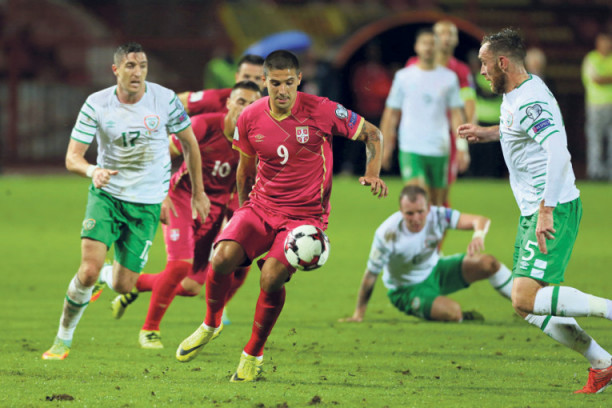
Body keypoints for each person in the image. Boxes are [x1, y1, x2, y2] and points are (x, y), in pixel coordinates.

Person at [176, 50, 388, 382]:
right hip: (260, 207)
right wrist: (242, 214)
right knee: (222, 257)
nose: (283, 90)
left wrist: (372, 173)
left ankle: (253, 354)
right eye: (275, 83)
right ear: (264, 82)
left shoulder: (322, 109)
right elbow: (245, 171)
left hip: (305, 217)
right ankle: (211, 324)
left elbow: (373, 134)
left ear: (299, 79)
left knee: (271, 277)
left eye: (289, 82)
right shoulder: (250, 116)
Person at [458, 28, 612, 394]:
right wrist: (489, 132)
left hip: (551, 207)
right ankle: (602, 364)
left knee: (524, 298)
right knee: (525, 305)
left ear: (502, 62)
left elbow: (558, 151)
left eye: (484, 63)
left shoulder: (530, 101)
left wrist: (546, 210)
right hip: (535, 209)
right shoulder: (518, 92)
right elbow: (520, 129)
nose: (481, 70)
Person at [42, 42, 209, 360]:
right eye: (130, 66)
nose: (137, 72)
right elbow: (72, 157)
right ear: (116, 70)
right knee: (87, 271)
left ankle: (108, 276)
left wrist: (198, 192)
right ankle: (62, 339)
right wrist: (93, 171)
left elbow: (189, 143)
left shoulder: (164, 99)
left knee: (123, 285)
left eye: (142, 66)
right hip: (107, 196)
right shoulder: (97, 103)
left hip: (146, 205)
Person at [109, 81, 262, 349]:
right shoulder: (203, 125)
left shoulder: (256, 142)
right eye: (241, 102)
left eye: (252, 105)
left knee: (191, 287)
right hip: (182, 198)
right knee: (179, 265)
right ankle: (150, 330)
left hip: (213, 211)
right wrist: (160, 193)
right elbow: (160, 154)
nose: (245, 109)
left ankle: (134, 284)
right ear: (228, 103)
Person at [340, 185, 513, 323]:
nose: (416, 218)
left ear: (428, 208)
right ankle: (459, 316)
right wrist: (358, 313)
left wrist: (478, 235)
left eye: (420, 212)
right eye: (409, 213)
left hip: (436, 271)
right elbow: (370, 275)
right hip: (406, 289)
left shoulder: (438, 215)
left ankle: (523, 304)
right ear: (401, 211)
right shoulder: (387, 234)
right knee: (453, 312)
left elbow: (480, 220)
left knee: (488, 263)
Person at [380, 28, 465, 206]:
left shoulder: (449, 78)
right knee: (417, 195)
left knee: (436, 205)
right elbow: (391, 113)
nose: (428, 47)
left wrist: (462, 147)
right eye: (424, 43)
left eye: (432, 43)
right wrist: (385, 145)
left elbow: (456, 114)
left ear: (438, 47)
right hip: (411, 146)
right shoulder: (404, 77)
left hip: (439, 147)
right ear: (416, 47)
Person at [403, 21, 476, 201]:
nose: (446, 37)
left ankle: (437, 217)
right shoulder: (413, 65)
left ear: (456, 40)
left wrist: (463, 141)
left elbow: (468, 102)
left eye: (450, 33)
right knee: (417, 193)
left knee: (441, 196)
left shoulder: (460, 71)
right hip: (416, 136)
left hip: (445, 138)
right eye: (441, 33)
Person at [178, 54, 265, 116]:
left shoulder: (271, 111)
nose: (251, 82)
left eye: (257, 78)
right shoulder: (217, 99)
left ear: (265, 82)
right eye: (246, 77)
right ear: (237, 77)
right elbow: (175, 102)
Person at [581, 32, 612, 180]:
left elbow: (600, 79)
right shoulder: (591, 59)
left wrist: (604, 78)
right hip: (595, 105)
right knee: (595, 139)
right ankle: (595, 172)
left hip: (610, 105)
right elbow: (595, 79)